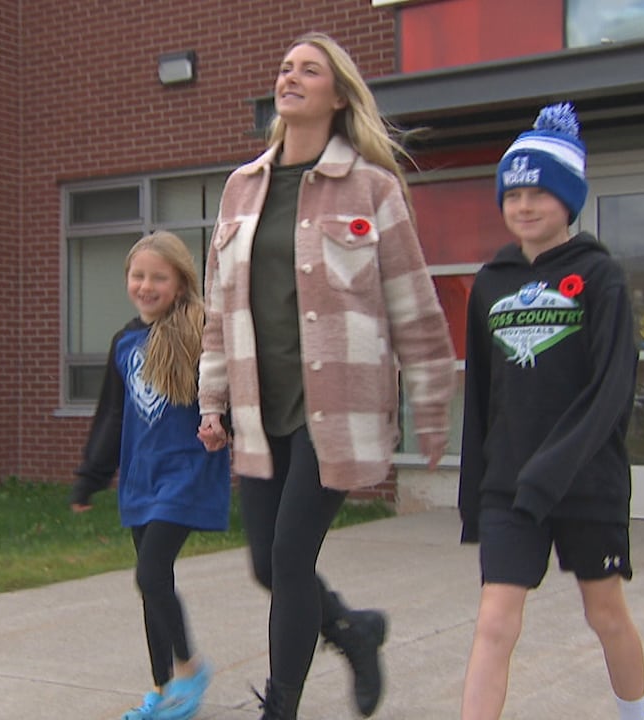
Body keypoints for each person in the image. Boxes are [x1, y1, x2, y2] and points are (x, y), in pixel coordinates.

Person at [196, 32, 456, 720]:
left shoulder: (371, 187)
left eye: (309, 70)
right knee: (266, 564)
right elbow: (219, 307)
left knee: (287, 556)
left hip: (336, 411)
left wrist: (433, 407)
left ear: (337, 96)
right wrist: (212, 399)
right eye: (285, 67)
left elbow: (413, 302)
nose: (291, 76)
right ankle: (353, 629)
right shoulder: (241, 188)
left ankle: (279, 709)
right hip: (259, 408)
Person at [457, 103, 644, 720]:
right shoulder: (491, 281)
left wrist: (555, 469)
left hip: (586, 482)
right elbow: (482, 394)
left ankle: (636, 712)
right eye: (513, 193)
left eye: (540, 191)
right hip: (511, 487)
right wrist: (475, 493)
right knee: (494, 623)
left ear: (570, 197)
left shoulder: (600, 276)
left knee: (605, 613)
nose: (525, 204)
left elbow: (610, 391)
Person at [72, 231, 232, 720]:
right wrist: (90, 476)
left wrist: (225, 426)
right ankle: (163, 692)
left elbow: (232, 390)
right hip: (142, 477)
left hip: (187, 471)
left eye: (158, 277)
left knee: (149, 573)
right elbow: (112, 416)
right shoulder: (125, 341)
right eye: (137, 276)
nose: (146, 285)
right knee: (152, 583)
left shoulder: (202, 332)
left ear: (181, 282)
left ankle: (192, 668)